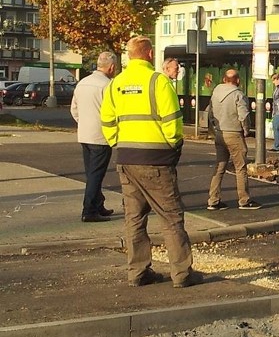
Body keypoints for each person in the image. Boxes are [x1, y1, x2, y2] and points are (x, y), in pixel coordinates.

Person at [101, 36, 202, 288]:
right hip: (156, 161)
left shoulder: (116, 84)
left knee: (134, 219)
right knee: (171, 217)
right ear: (148, 54)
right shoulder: (158, 81)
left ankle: (138, 272)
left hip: (126, 159)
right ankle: (182, 274)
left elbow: (107, 122)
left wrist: (118, 143)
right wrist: (172, 145)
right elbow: (173, 123)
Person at [70, 51, 117, 223]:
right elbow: (114, 112)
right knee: (96, 175)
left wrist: (83, 122)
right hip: (101, 136)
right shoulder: (109, 85)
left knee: (92, 173)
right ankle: (89, 210)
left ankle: (98, 204)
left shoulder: (82, 83)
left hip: (84, 135)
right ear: (111, 67)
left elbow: (74, 109)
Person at [207, 69, 261, 211]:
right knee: (240, 167)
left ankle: (213, 200)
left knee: (219, 167)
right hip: (234, 133)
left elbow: (210, 113)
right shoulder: (238, 94)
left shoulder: (216, 92)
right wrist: (246, 130)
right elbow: (243, 115)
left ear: (224, 79)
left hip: (220, 133)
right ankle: (244, 200)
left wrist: (214, 128)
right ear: (237, 80)